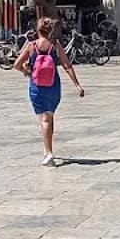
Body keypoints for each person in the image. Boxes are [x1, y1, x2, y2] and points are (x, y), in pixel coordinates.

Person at [13, 16, 84, 166]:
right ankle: (48, 151)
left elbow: (17, 65)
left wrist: (27, 72)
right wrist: (77, 85)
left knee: (44, 119)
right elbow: (67, 66)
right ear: (51, 30)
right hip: (53, 86)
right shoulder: (55, 46)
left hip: (37, 87)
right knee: (49, 117)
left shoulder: (32, 46)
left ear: (37, 30)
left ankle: (48, 153)